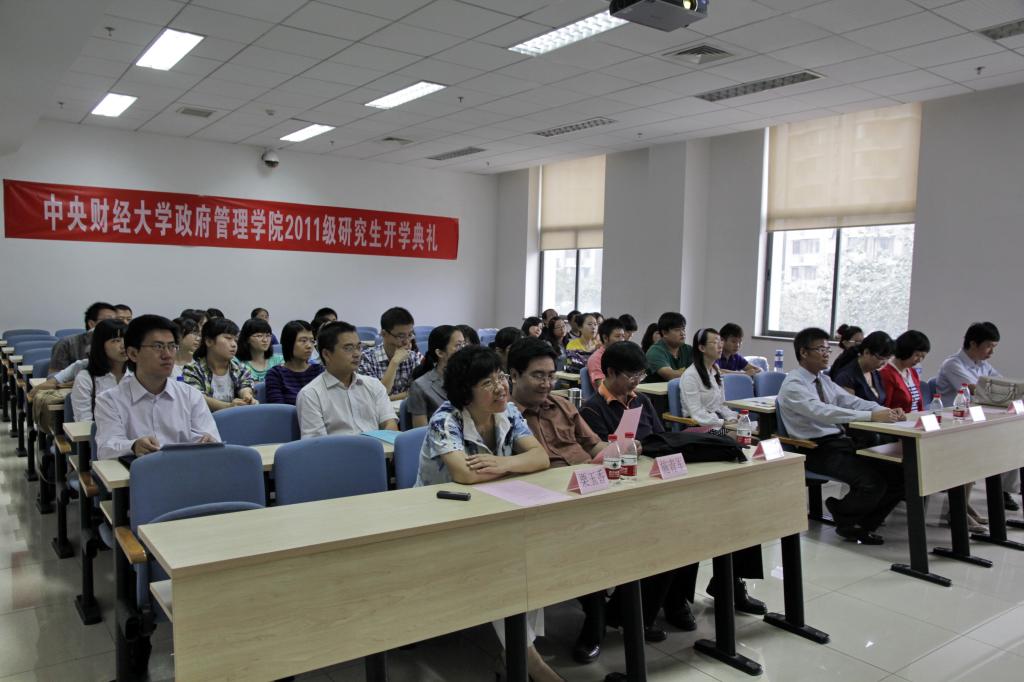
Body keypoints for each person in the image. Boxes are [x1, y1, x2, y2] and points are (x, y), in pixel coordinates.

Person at [413, 346, 558, 681]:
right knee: (503, 561)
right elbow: (464, 474)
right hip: (440, 518)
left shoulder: (508, 413)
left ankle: (519, 655)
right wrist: (514, 466)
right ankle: (531, 664)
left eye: (501, 377)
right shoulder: (445, 419)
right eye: (488, 383)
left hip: (492, 510)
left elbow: (540, 458)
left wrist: (501, 463)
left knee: (530, 556)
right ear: (466, 391)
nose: (501, 387)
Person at [507, 337, 608, 664]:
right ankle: (597, 622)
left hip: (589, 489)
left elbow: (595, 447)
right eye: (538, 376)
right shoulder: (504, 415)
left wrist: (618, 453)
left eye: (551, 375)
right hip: (545, 503)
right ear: (514, 375)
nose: (547, 383)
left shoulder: (564, 405)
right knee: (591, 543)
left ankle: (636, 612)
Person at [777, 327, 906, 544]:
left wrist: (885, 410)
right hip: (815, 449)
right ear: (804, 352)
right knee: (872, 482)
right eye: (821, 349)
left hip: (840, 443)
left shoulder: (824, 380)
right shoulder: (794, 385)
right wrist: (872, 416)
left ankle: (858, 521)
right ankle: (848, 519)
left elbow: (851, 401)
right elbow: (824, 412)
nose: (827, 354)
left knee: (899, 475)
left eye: (828, 349)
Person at [95, 315, 220, 460]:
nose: (167, 355)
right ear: (133, 354)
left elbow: (213, 440)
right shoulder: (109, 400)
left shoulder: (191, 395)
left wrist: (209, 443)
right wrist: (133, 446)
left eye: (172, 346)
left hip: (186, 469)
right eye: (158, 347)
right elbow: (106, 449)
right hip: (136, 472)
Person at [937, 321, 1019, 512]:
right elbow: (977, 389)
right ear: (973, 344)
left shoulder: (983, 365)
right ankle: (960, 508)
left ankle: (1002, 490)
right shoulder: (953, 364)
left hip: (975, 419)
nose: (992, 352)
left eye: (994, 347)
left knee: (1013, 440)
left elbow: (1004, 385)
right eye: (989, 346)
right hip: (952, 423)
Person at [297, 321, 397, 438]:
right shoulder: (311, 394)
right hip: (337, 450)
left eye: (358, 347)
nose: (357, 354)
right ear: (326, 354)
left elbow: (390, 424)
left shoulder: (374, 385)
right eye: (348, 348)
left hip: (377, 448)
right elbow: (317, 444)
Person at [183, 318, 257, 412]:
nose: (234, 344)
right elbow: (198, 398)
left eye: (235, 340)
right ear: (209, 341)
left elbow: (245, 386)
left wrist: (247, 397)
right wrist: (229, 407)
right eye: (228, 338)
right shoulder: (192, 370)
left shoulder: (240, 368)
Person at [70, 319, 129, 422]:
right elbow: (84, 422)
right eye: (116, 340)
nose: (123, 345)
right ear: (101, 345)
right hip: (99, 431)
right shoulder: (86, 378)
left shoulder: (138, 374)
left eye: (127, 339)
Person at [358, 306, 423, 398]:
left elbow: (420, 390)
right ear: (384, 334)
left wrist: (390, 398)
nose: (406, 342)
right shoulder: (366, 358)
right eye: (401, 336)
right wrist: (394, 362)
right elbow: (377, 396)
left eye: (409, 335)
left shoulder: (414, 356)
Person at [407, 325, 465, 428]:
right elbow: (421, 432)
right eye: (458, 345)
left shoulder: (470, 379)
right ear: (440, 353)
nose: (464, 350)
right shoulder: (419, 386)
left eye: (464, 344)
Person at [681, 328, 738, 428]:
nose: (720, 346)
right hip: (700, 428)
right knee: (735, 435)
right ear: (702, 348)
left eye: (720, 341)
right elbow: (696, 413)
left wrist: (734, 418)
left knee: (748, 431)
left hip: (716, 424)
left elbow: (721, 405)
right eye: (715, 342)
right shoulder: (690, 376)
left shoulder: (715, 370)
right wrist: (723, 423)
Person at [264, 320, 324, 406]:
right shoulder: (275, 374)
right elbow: (278, 410)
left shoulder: (319, 370)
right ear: (289, 343)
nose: (309, 346)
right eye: (303, 341)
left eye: (312, 341)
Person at [49, 301, 117, 374]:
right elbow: (54, 375)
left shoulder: (118, 344)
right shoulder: (66, 344)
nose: (114, 325)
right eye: (109, 321)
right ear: (91, 324)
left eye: (116, 321)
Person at [829, 331, 895, 405]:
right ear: (866, 352)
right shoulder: (846, 376)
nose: (884, 363)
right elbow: (848, 408)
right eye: (881, 358)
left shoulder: (874, 372)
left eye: (888, 358)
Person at [880, 330, 930, 413]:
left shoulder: (912, 372)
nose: (919, 360)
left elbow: (919, 406)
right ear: (906, 350)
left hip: (915, 418)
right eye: (917, 355)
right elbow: (885, 407)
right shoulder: (886, 373)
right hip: (898, 419)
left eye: (923, 356)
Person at [645, 312, 692, 382]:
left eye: (683, 329)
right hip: (657, 389)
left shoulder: (689, 349)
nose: (682, 333)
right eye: (677, 330)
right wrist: (696, 374)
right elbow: (671, 376)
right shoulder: (655, 351)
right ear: (664, 333)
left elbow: (702, 370)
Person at [586, 317, 627, 390]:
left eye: (623, 336)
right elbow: (602, 387)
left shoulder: (622, 355)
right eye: (617, 336)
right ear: (605, 338)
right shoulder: (596, 359)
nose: (622, 340)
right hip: (610, 395)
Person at [236, 318, 282, 382]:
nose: (265, 340)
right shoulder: (237, 363)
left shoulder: (280, 360)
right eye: (259, 336)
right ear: (247, 339)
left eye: (268, 335)